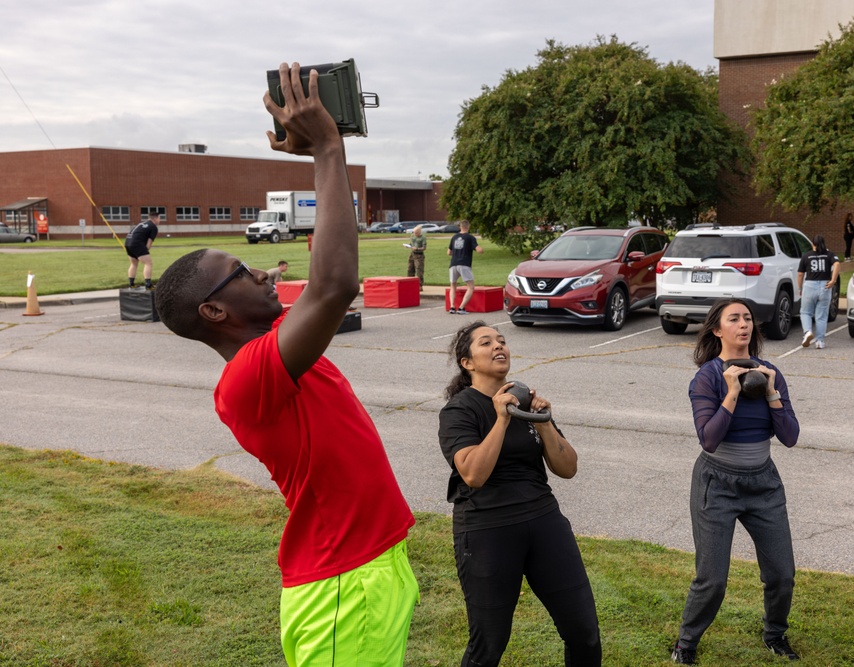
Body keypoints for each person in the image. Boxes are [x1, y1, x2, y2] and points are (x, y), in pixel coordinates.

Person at [153, 63, 418, 666]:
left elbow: (324, 274)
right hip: (339, 591)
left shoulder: (277, 344)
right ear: (215, 310)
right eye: (242, 272)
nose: (262, 272)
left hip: (374, 568)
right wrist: (327, 146)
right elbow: (334, 284)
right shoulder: (247, 380)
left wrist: (329, 143)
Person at [438, 321, 602, 667]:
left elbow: (568, 467)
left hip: (544, 521)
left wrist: (541, 420)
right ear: (467, 362)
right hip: (487, 529)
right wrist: (502, 419)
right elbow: (473, 474)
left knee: (584, 632)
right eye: (486, 343)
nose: (499, 346)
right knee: (489, 644)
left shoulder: (526, 400)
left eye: (502, 340)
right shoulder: (460, 410)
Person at [670, 298, 800, 665]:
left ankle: (775, 634)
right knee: (712, 579)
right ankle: (686, 643)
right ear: (717, 329)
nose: (743, 324)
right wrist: (731, 393)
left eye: (747, 318)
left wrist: (772, 393)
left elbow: (789, 437)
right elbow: (708, 438)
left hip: (764, 483)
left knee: (782, 574)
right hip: (717, 483)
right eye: (734, 318)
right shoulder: (707, 377)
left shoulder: (771, 372)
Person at [797, 234, 840, 350]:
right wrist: (833, 280)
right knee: (821, 316)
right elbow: (837, 264)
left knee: (805, 312)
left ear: (813, 244)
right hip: (825, 286)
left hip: (810, 285)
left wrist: (800, 288)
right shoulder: (829, 255)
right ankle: (820, 341)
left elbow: (800, 274)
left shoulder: (806, 256)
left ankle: (807, 332)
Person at [447, 220, 484, 314]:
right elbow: (478, 249)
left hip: (453, 264)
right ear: (468, 226)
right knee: (471, 287)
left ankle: (452, 307)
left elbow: (449, 252)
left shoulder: (454, 237)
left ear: (460, 226)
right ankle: (461, 308)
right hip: (464, 264)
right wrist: (481, 250)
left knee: (453, 286)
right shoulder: (470, 237)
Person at [126, 212, 159, 289]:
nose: (159, 220)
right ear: (155, 219)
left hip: (128, 243)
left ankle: (131, 284)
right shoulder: (153, 227)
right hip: (137, 244)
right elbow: (149, 243)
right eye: (159, 218)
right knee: (148, 263)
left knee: (134, 264)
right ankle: (148, 285)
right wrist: (145, 251)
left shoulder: (141, 224)